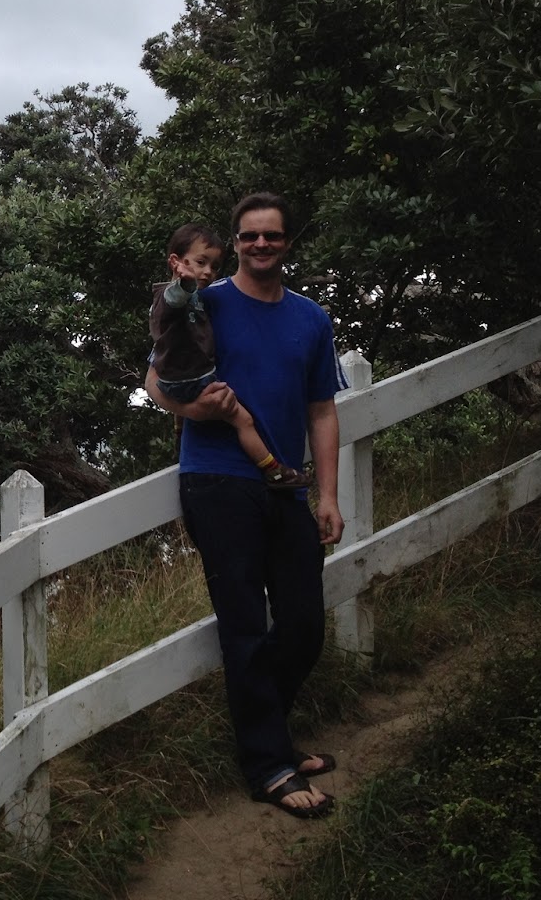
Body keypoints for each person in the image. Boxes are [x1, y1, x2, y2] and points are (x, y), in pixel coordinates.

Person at [143, 193, 346, 818]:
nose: (261, 245)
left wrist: (329, 495)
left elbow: (322, 411)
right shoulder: (204, 303)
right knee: (245, 625)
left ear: (288, 243)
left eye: (272, 236)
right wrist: (195, 408)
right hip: (218, 482)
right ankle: (268, 766)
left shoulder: (311, 319)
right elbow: (155, 383)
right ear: (234, 243)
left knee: (305, 625)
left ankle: (269, 737)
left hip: (286, 484)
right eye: (250, 236)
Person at [149, 222, 312, 489]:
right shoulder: (172, 296)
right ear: (176, 261)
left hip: (177, 378)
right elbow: (175, 296)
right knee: (242, 420)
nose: (207, 272)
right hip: (193, 378)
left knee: (183, 395)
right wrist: (185, 281)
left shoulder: (197, 298)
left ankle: (179, 432)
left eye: (214, 266)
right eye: (200, 262)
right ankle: (273, 470)